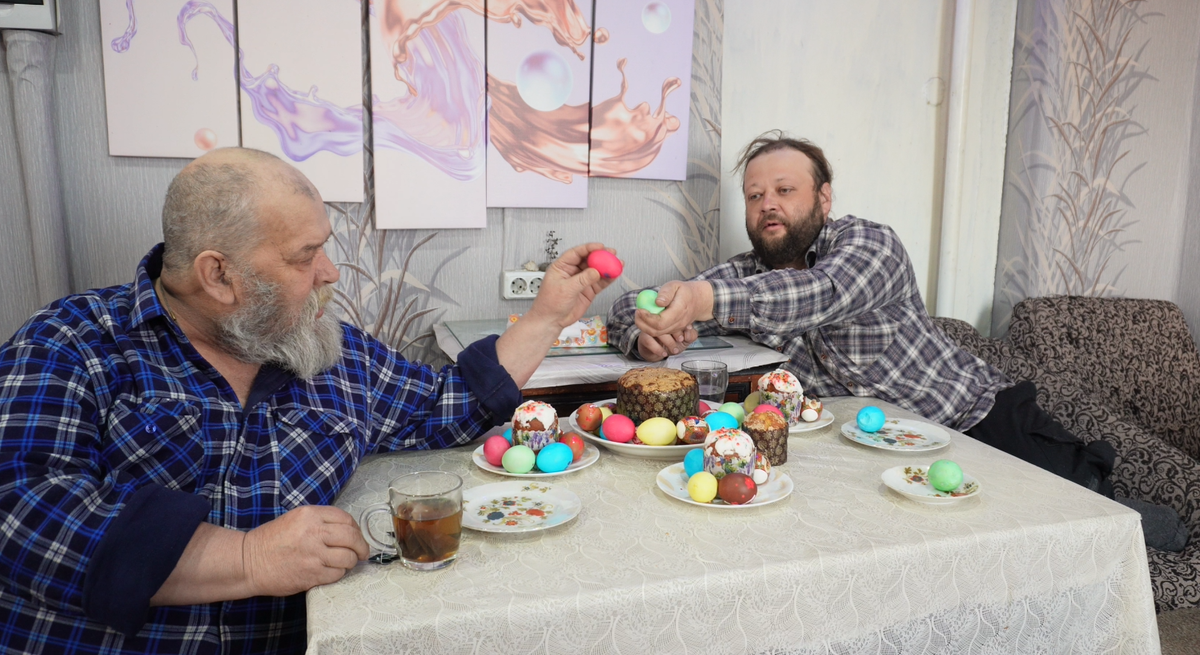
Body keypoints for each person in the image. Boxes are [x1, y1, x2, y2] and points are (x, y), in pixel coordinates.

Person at [0, 148, 615, 654]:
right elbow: (22, 517)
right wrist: (249, 558)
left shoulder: (329, 352)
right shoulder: (71, 343)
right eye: (304, 256)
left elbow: (447, 405)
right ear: (218, 275)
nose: (330, 272)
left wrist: (547, 317)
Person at [607, 130, 1186, 551]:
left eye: (784, 189)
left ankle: (1121, 509)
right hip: (871, 449)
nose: (768, 205)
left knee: (1083, 517)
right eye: (755, 196)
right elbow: (632, 305)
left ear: (823, 198)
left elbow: (819, 294)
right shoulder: (743, 275)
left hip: (973, 419)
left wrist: (702, 301)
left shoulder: (870, 244)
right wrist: (646, 335)